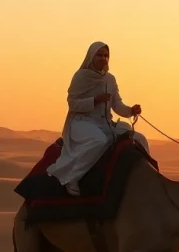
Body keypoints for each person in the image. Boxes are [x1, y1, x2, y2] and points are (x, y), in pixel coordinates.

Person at [46, 41, 149, 196]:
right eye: (99, 55)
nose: (103, 58)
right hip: (82, 122)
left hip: (105, 123)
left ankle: (146, 177)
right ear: (91, 56)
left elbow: (117, 105)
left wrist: (131, 110)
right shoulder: (81, 76)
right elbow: (73, 103)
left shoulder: (110, 79)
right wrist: (95, 100)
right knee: (99, 141)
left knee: (139, 138)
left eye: (106, 56)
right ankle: (72, 178)